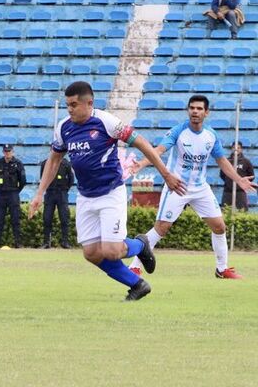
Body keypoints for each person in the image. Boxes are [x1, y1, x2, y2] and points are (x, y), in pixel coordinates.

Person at [29, 81, 186, 301]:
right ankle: (138, 285)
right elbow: (54, 160)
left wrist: (166, 174)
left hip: (111, 193)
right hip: (85, 196)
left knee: (111, 251)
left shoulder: (107, 122)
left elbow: (142, 144)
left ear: (89, 103)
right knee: (92, 253)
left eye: (74, 104)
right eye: (67, 105)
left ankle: (141, 245)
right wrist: (39, 193)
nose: (70, 109)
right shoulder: (64, 127)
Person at [128, 95, 257, 280]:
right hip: (177, 186)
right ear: (188, 110)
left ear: (206, 112)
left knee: (220, 227)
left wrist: (239, 180)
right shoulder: (178, 132)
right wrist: (140, 164)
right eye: (192, 108)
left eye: (199, 109)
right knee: (161, 229)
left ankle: (222, 269)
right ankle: (134, 266)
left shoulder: (211, 135)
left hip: (200, 188)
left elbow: (222, 161)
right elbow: (158, 151)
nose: (195, 111)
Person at [0, 143, 26, 248]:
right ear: (3, 152)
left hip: (13, 194)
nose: (7, 153)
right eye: (6, 151)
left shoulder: (18, 164)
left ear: (13, 152)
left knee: (15, 219)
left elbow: (23, 181)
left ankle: (18, 242)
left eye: (9, 151)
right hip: (0, 194)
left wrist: (16, 191)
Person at [40, 157, 74, 249]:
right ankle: (46, 242)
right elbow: (42, 178)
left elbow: (71, 179)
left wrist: (65, 189)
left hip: (61, 193)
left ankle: (65, 242)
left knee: (64, 218)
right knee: (47, 218)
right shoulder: (45, 163)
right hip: (50, 193)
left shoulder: (66, 163)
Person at [220, 142, 255, 211]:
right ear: (232, 149)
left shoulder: (246, 161)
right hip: (228, 191)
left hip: (240, 191)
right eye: (234, 148)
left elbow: (251, 175)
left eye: (238, 148)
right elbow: (222, 174)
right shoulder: (227, 161)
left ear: (241, 149)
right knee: (225, 211)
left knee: (242, 212)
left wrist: (243, 183)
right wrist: (228, 182)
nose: (236, 150)